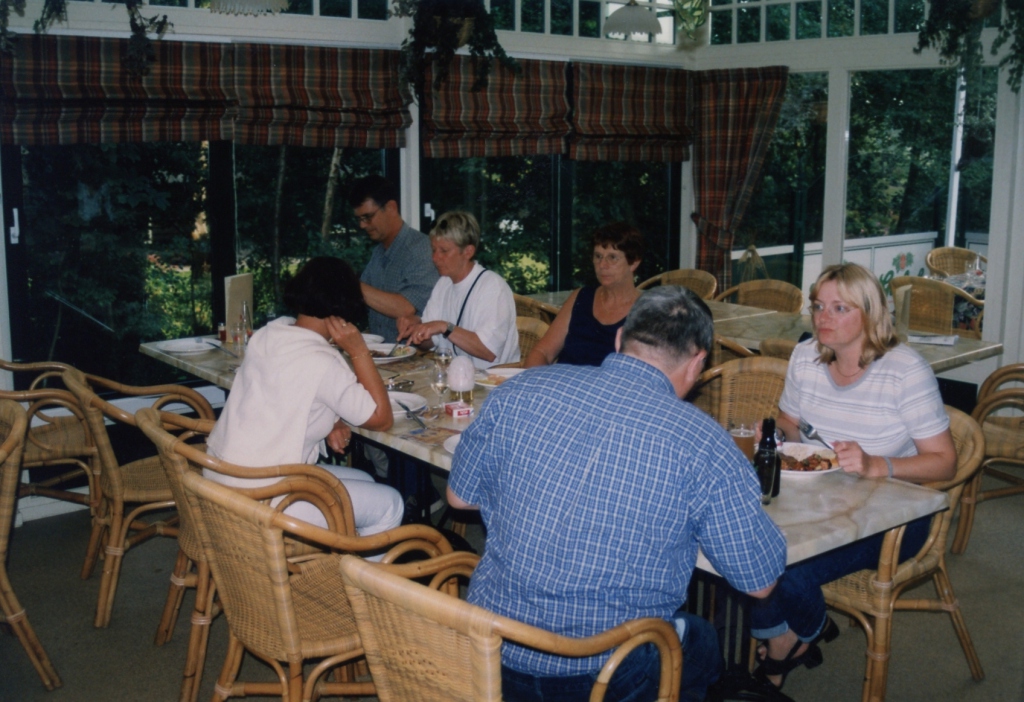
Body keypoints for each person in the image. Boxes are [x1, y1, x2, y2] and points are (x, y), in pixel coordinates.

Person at [448, 286, 787, 702]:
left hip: (489, 651)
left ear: (620, 337)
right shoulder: (704, 443)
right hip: (602, 673)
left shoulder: (519, 390)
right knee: (701, 643)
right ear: (698, 362)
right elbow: (759, 581)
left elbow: (459, 499)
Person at [751, 262, 957, 692]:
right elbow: (790, 423)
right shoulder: (806, 356)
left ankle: (787, 644)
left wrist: (878, 464)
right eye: (818, 306)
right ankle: (799, 629)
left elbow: (945, 462)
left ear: (870, 313)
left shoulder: (904, 370)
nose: (823, 317)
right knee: (741, 542)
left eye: (839, 308)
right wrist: (776, 436)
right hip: (819, 500)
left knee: (784, 566)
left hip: (893, 518)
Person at [206, 257, 404, 538]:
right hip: (265, 496)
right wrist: (359, 351)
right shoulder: (324, 360)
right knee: (390, 504)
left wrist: (333, 420)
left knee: (365, 480)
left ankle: (335, 557)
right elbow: (381, 419)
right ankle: (355, 568)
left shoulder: (268, 334)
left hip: (222, 477)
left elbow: (289, 393)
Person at [397, 211, 519, 370]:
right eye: (433, 250)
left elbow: (488, 352)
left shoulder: (493, 287)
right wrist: (416, 331)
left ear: (468, 252)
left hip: (494, 380)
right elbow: (429, 343)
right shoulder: (443, 284)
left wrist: (444, 327)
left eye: (444, 251)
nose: (435, 258)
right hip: (455, 377)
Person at [524, 221, 644, 368]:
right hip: (564, 380)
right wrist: (538, 379)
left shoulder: (647, 310)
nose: (602, 265)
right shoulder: (581, 297)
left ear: (634, 263)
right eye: (598, 256)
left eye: (612, 257)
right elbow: (542, 352)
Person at [349, 175, 438, 343]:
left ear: (391, 207)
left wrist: (350, 282)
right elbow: (363, 302)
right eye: (359, 219)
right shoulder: (378, 253)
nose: (362, 225)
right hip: (384, 354)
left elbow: (405, 308)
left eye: (368, 217)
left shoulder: (421, 250)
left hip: (416, 355)